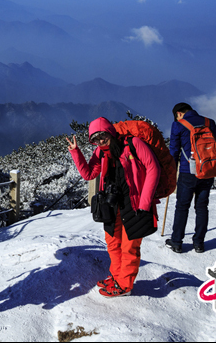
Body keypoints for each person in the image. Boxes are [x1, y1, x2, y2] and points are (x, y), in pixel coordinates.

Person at [66, 117, 160, 297]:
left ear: (111, 132)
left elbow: (153, 168)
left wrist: (145, 203)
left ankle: (125, 285)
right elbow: (88, 174)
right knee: (112, 243)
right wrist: (75, 152)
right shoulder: (100, 152)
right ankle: (117, 276)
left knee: (129, 246)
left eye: (103, 137)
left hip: (135, 203)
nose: (100, 142)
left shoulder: (133, 144)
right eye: (95, 139)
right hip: (111, 205)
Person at [165, 102, 216, 254]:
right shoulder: (210, 123)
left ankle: (176, 242)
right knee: (202, 207)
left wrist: (171, 171)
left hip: (187, 172)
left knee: (182, 207)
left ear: (179, 114)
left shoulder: (178, 125)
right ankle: (199, 243)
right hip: (207, 170)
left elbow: (174, 151)